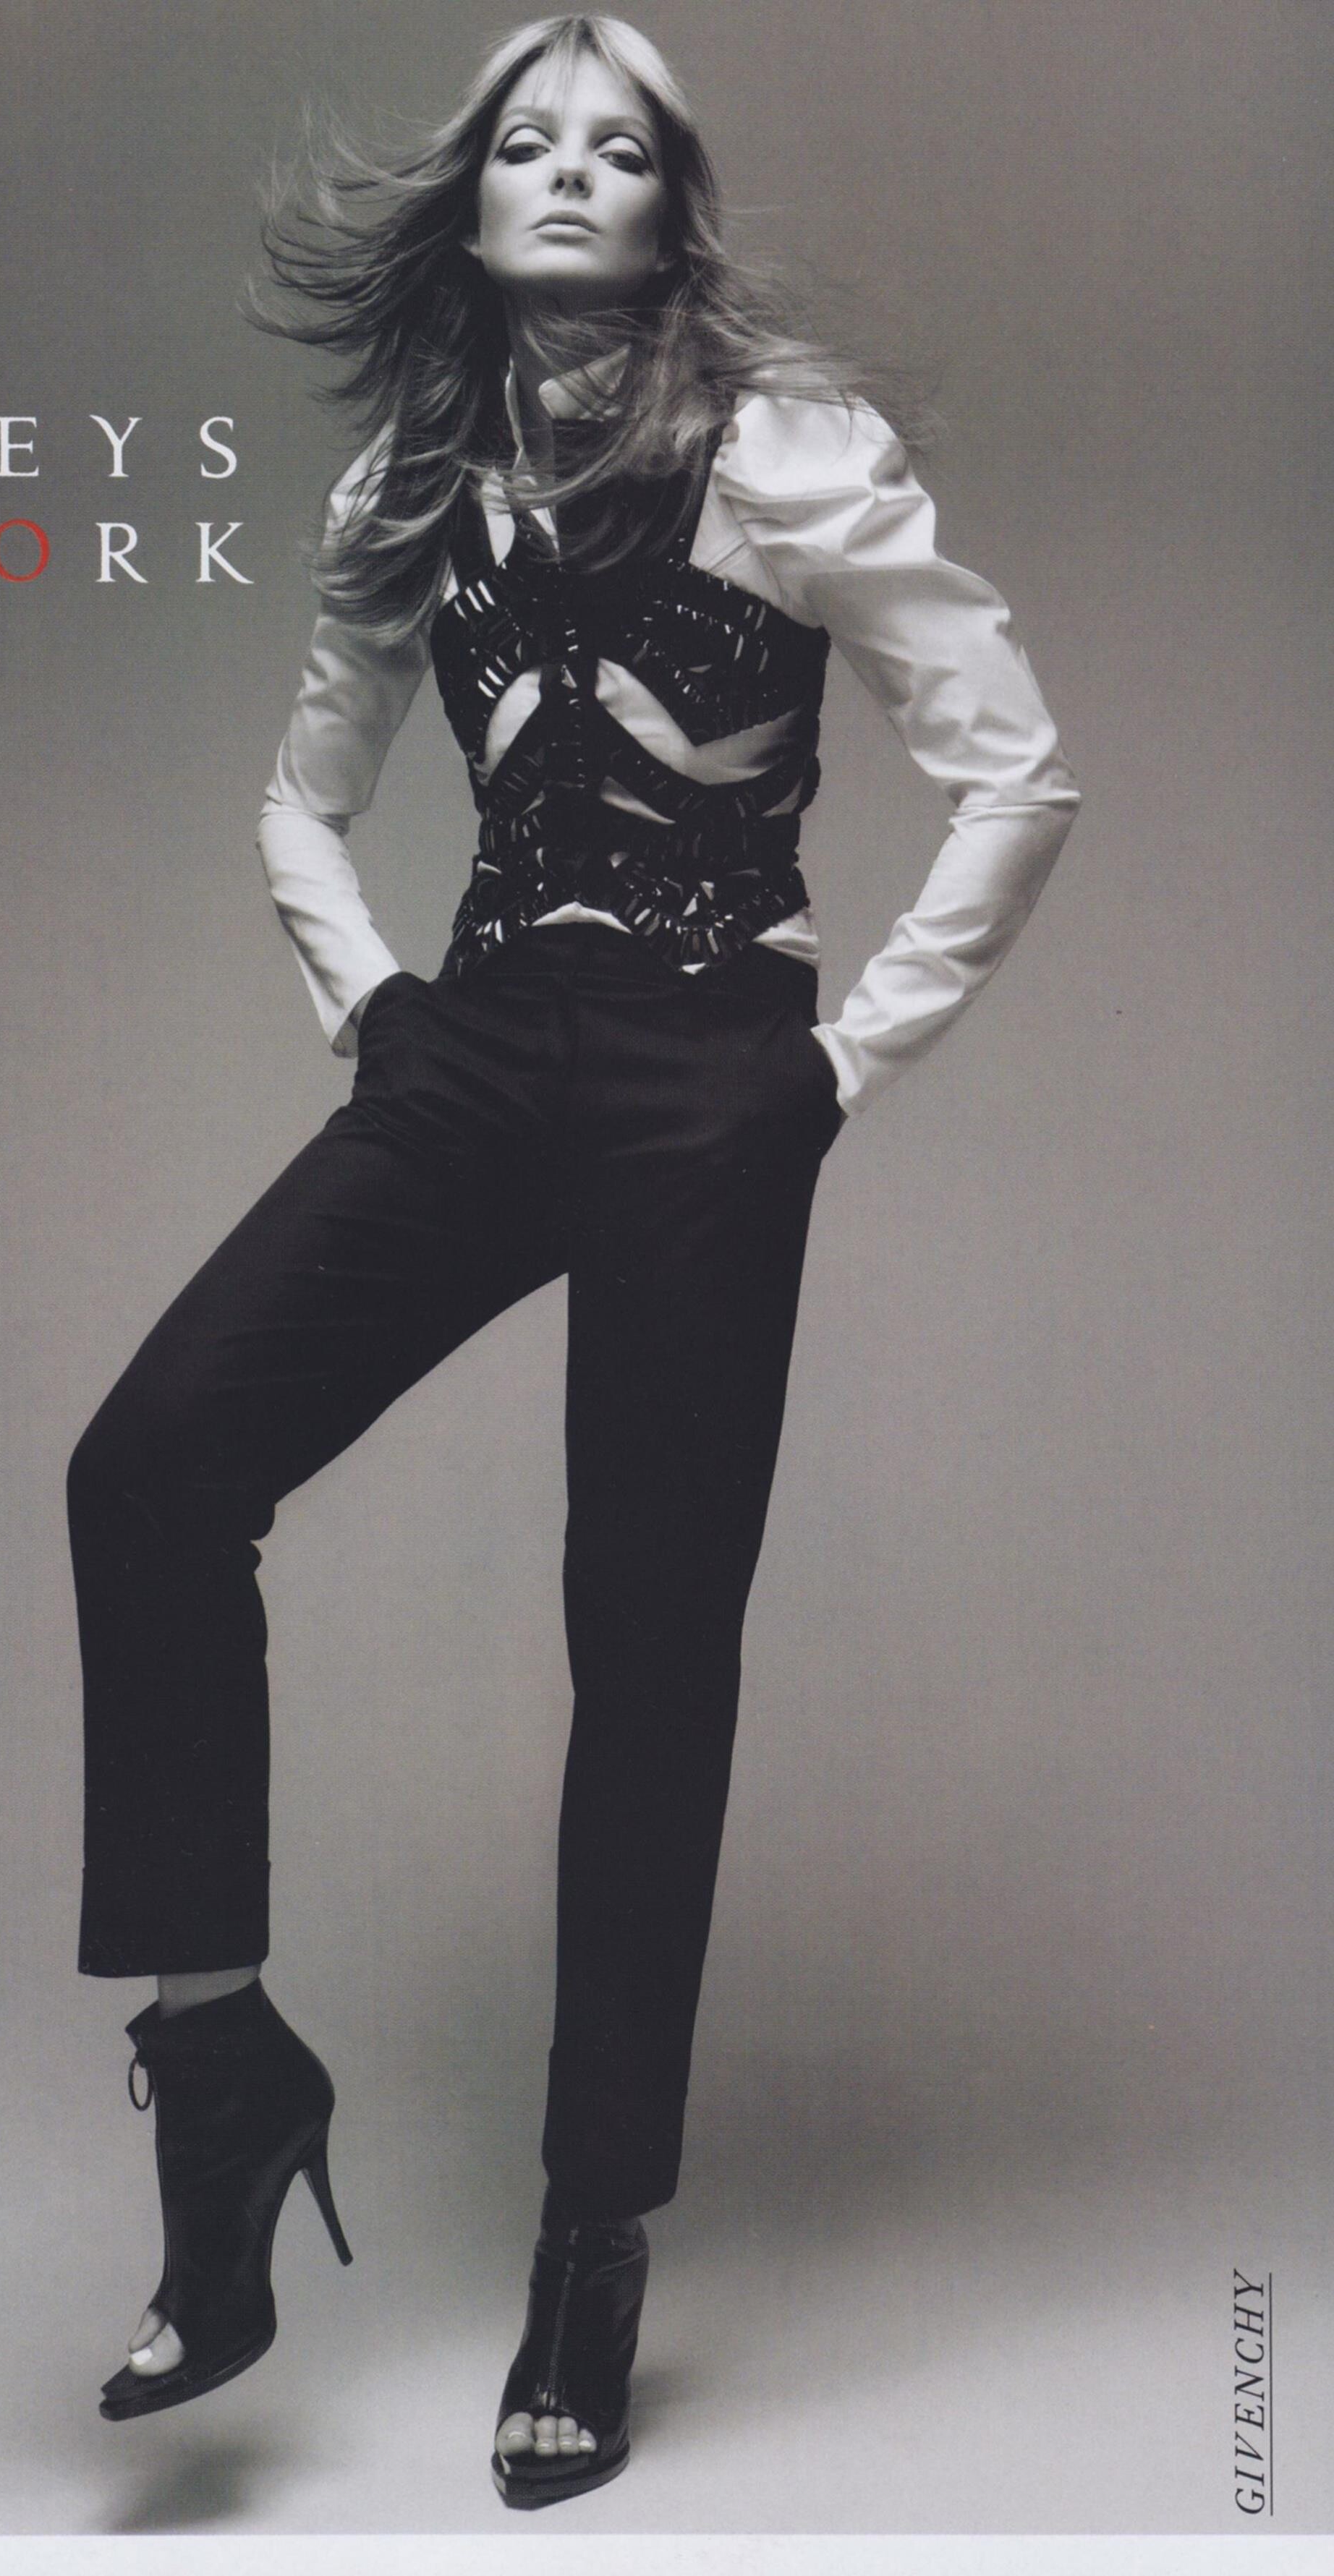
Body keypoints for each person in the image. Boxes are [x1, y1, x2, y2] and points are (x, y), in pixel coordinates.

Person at [65, 10, 1079, 2509]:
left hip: (710, 1075)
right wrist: (379, 1009)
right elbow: (302, 804)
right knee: (153, 1465)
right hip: (484, 1051)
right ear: (475, 194)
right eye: (527, 136)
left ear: (670, 213)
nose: (565, 169)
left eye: (618, 147)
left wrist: (837, 1061)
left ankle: (592, 2233)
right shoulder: (415, 480)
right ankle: (223, 2068)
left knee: (648, 1641)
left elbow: (1017, 764)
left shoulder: (792, 455)